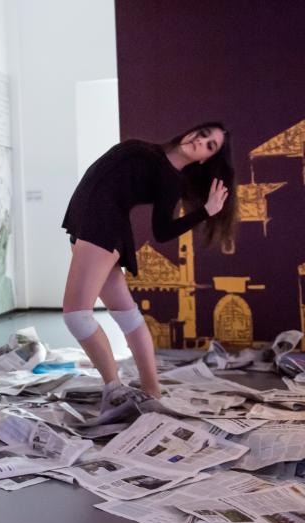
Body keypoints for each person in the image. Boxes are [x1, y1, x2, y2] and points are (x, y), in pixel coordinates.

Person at [61, 122, 235, 416]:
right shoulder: (152, 153)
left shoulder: (170, 179)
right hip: (90, 224)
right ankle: (151, 389)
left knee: (77, 316)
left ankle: (115, 390)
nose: (200, 141)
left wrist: (206, 211)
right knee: (126, 314)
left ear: (206, 158)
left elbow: (163, 230)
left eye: (210, 145)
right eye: (203, 134)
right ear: (191, 131)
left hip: (101, 227)